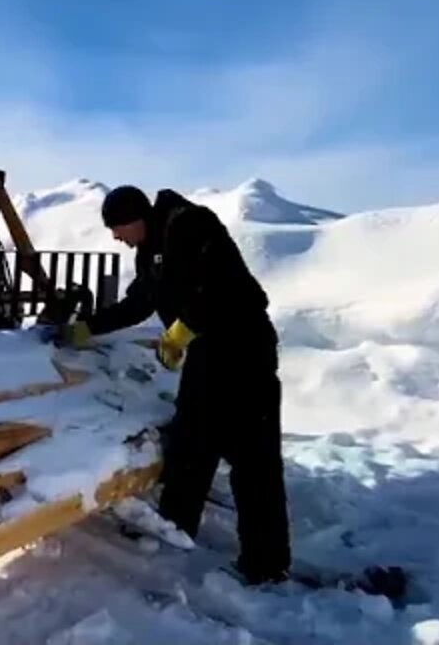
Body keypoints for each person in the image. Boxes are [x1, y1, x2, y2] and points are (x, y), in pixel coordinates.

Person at [60, 184, 291, 585]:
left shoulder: (192, 225)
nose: (116, 237)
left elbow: (227, 287)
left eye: (118, 228)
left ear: (137, 218)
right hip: (208, 356)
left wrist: (185, 327)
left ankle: (265, 563)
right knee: (191, 443)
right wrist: (86, 329)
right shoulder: (150, 254)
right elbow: (137, 305)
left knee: (253, 461)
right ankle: (175, 527)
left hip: (245, 350)